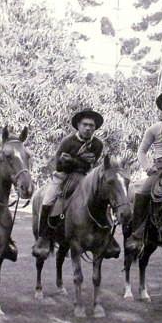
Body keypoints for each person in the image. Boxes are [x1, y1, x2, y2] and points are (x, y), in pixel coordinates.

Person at [31, 109, 107, 259]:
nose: (88, 128)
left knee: (103, 196)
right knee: (48, 200)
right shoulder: (68, 141)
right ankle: (44, 237)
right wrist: (78, 160)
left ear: (95, 128)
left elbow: (89, 165)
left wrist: (71, 160)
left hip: (84, 177)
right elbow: (59, 165)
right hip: (63, 177)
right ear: (78, 125)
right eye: (85, 124)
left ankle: (106, 235)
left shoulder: (98, 144)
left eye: (91, 125)